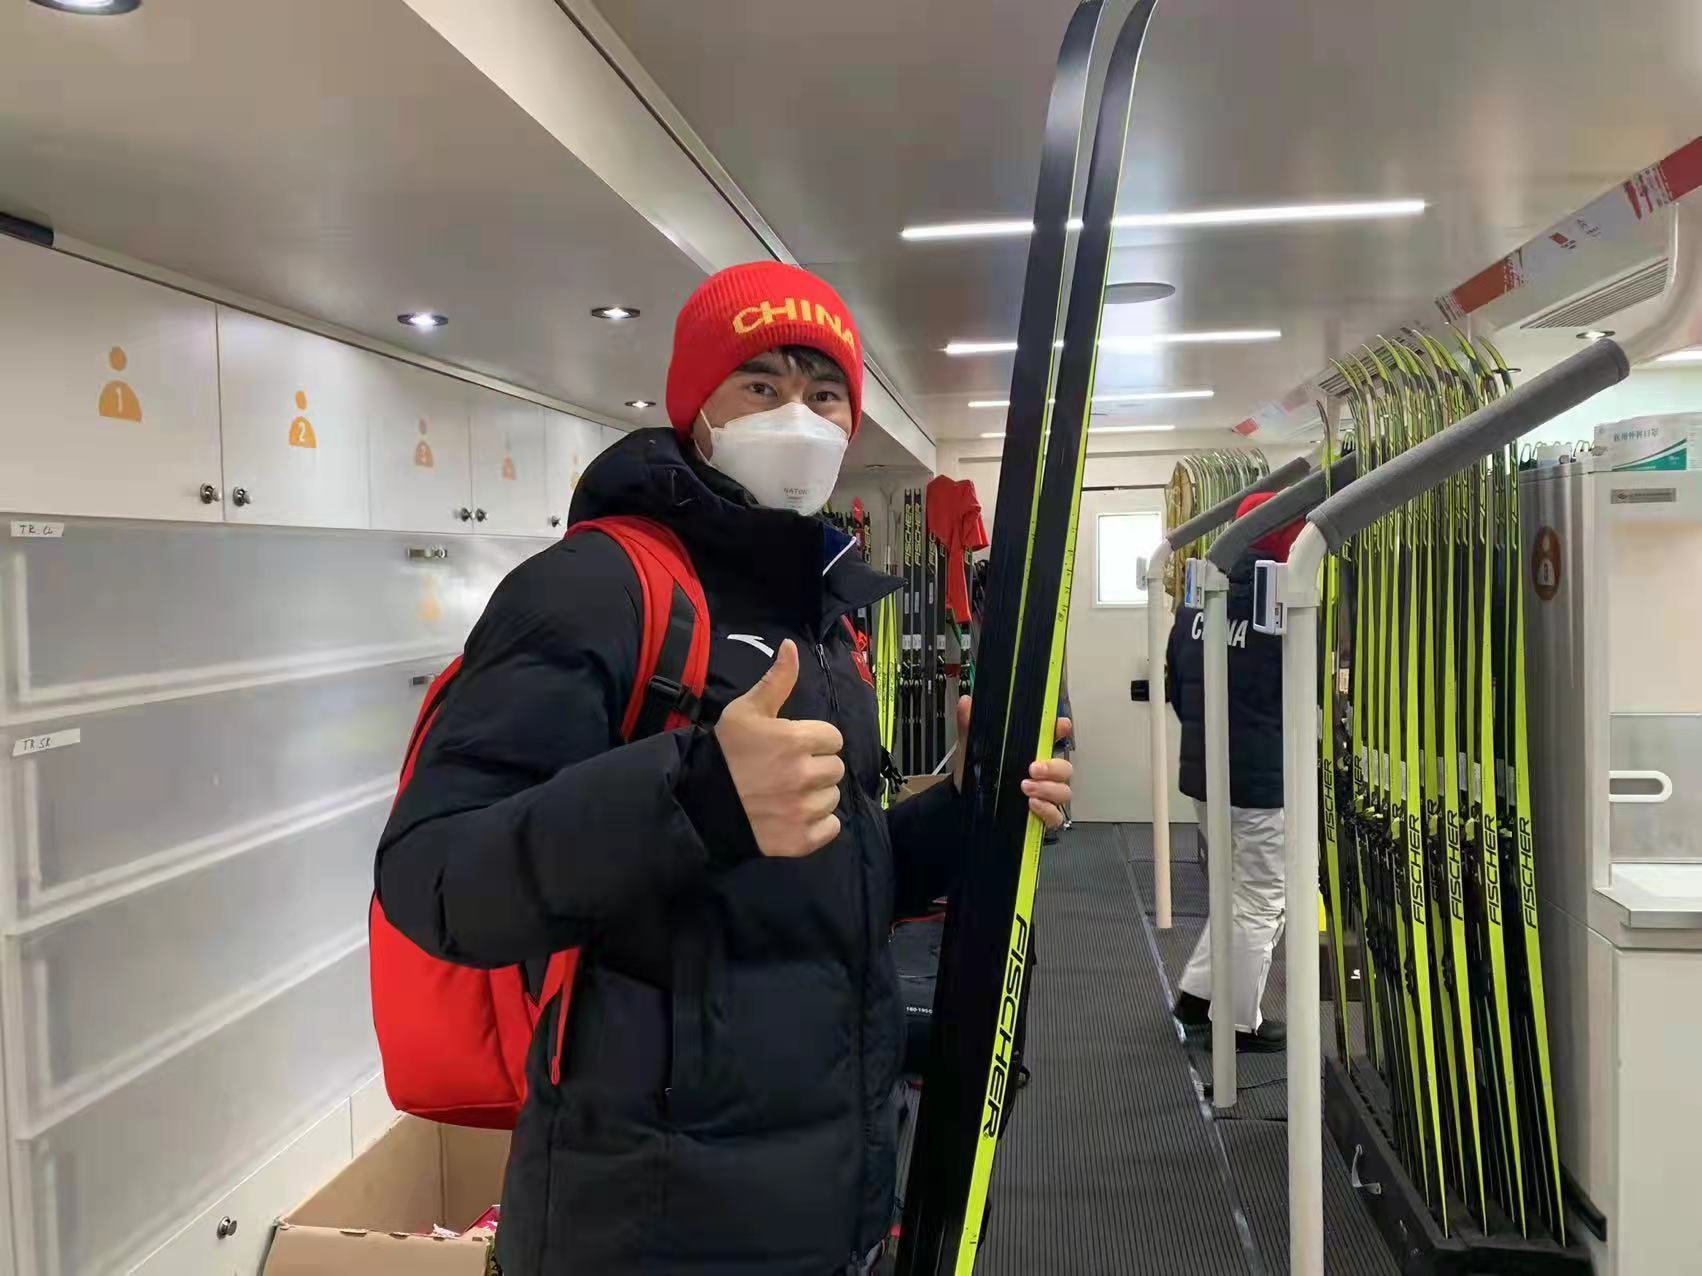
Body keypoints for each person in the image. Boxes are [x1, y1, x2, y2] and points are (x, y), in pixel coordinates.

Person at [375, 261, 1073, 1276]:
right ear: (695, 408)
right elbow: (433, 878)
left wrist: (969, 806)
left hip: (826, 1198)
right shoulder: (594, 589)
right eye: (761, 383)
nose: (798, 416)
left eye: (824, 393)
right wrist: (696, 795)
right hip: (650, 1225)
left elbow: (829, 879)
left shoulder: (820, 616)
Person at [1163, 490, 1296, 1053]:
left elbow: (1174, 686)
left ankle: (1198, 995)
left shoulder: (1199, 597)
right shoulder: (1287, 601)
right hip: (1259, 781)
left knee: (1234, 892)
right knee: (1262, 897)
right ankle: (1239, 1021)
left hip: (1206, 776)